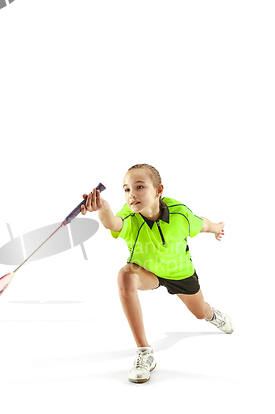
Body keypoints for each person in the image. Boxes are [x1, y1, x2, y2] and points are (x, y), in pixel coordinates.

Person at [81, 164, 234, 383]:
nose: (132, 194)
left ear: (158, 190)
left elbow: (203, 225)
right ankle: (144, 352)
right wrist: (103, 207)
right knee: (125, 276)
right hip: (147, 272)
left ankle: (211, 315)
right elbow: (113, 224)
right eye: (126, 189)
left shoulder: (180, 214)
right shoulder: (130, 216)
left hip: (180, 273)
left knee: (200, 313)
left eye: (139, 186)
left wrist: (217, 227)